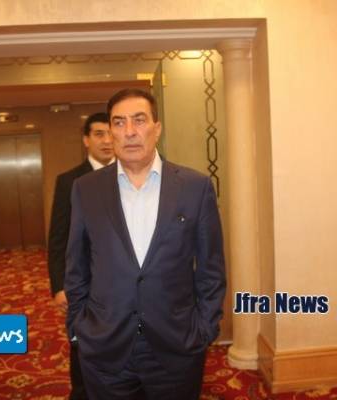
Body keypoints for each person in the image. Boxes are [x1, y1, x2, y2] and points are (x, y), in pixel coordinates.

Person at [65, 89, 226, 400]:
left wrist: (204, 329)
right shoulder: (86, 189)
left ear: (157, 128)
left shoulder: (195, 188)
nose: (129, 131)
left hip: (177, 346)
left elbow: (211, 270)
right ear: (111, 132)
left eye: (139, 120)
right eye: (119, 122)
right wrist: (79, 327)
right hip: (106, 347)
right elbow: (76, 267)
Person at [47, 112, 114, 400]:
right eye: (99, 134)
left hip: (124, 282)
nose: (107, 140)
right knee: (83, 347)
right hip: (84, 283)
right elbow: (58, 236)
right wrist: (59, 285)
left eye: (111, 133)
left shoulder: (132, 174)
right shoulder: (69, 181)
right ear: (86, 140)